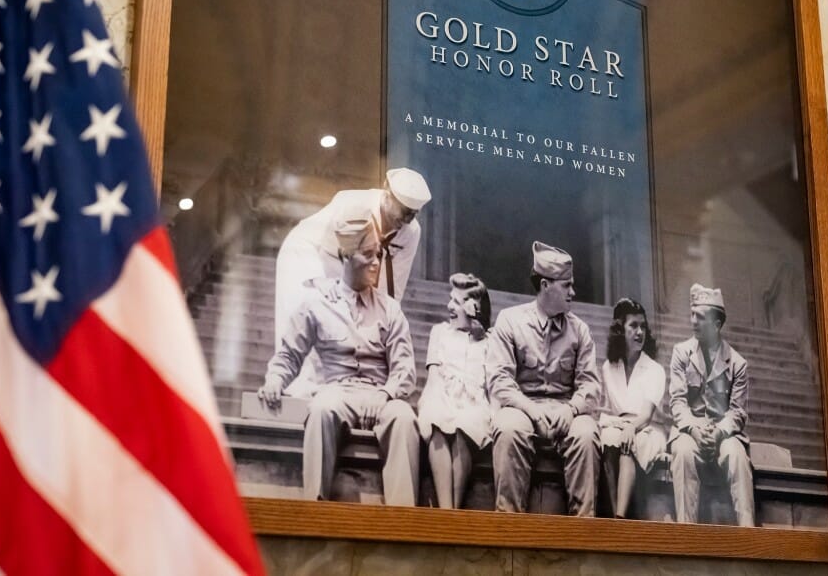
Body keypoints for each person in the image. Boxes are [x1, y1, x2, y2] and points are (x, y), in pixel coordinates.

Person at [257, 206, 420, 506]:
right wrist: (275, 380)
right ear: (346, 257)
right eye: (367, 255)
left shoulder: (390, 309)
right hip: (337, 391)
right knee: (321, 410)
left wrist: (386, 394)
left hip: (379, 394)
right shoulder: (317, 303)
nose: (375, 263)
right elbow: (290, 354)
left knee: (405, 418)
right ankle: (315, 507)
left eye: (378, 255)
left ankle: (403, 517)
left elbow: (404, 370)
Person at [274, 168, 431, 397]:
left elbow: (395, 281)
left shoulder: (411, 231)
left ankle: (330, 387)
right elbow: (331, 253)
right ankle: (296, 386)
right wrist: (332, 290)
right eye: (404, 211)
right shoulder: (353, 203)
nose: (406, 220)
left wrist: (383, 314)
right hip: (307, 254)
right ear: (387, 194)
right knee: (318, 313)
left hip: (350, 260)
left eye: (413, 214)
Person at [487, 241, 602, 515]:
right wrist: (532, 411)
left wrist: (571, 408)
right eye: (566, 285)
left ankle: (582, 532)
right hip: (523, 407)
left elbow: (591, 385)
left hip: (566, 408)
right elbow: (499, 381)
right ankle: (508, 526)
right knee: (508, 429)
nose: (573, 292)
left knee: (587, 434)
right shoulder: (510, 321)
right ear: (545, 285)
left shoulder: (580, 330)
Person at [668, 283, 754, 526]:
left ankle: (748, 534)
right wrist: (694, 430)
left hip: (723, 432)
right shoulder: (681, 353)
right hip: (690, 429)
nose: (693, 321)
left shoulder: (737, 363)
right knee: (683, 453)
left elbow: (737, 412)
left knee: (737, 456)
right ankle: (686, 532)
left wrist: (717, 433)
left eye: (700, 317)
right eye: (692, 314)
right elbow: (677, 402)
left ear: (717, 325)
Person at [417, 273, 493, 509]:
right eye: (451, 299)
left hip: (473, 401)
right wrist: (433, 402)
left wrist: (478, 329)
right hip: (442, 392)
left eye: (458, 302)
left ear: (474, 308)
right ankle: (446, 510)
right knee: (437, 419)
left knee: (465, 426)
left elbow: (492, 384)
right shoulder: (439, 332)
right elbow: (433, 378)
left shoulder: (490, 341)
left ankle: (455, 509)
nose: (450, 306)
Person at [598, 298, 667, 519]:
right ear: (620, 330)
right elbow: (610, 409)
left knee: (628, 442)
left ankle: (620, 518)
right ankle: (611, 512)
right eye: (633, 326)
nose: (640, 332)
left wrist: (630, 428)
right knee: (607, 437)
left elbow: (646, 415)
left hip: (648, 429)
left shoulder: (654, 369)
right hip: (619, 425)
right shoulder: (609, 367)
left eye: (643, 326)